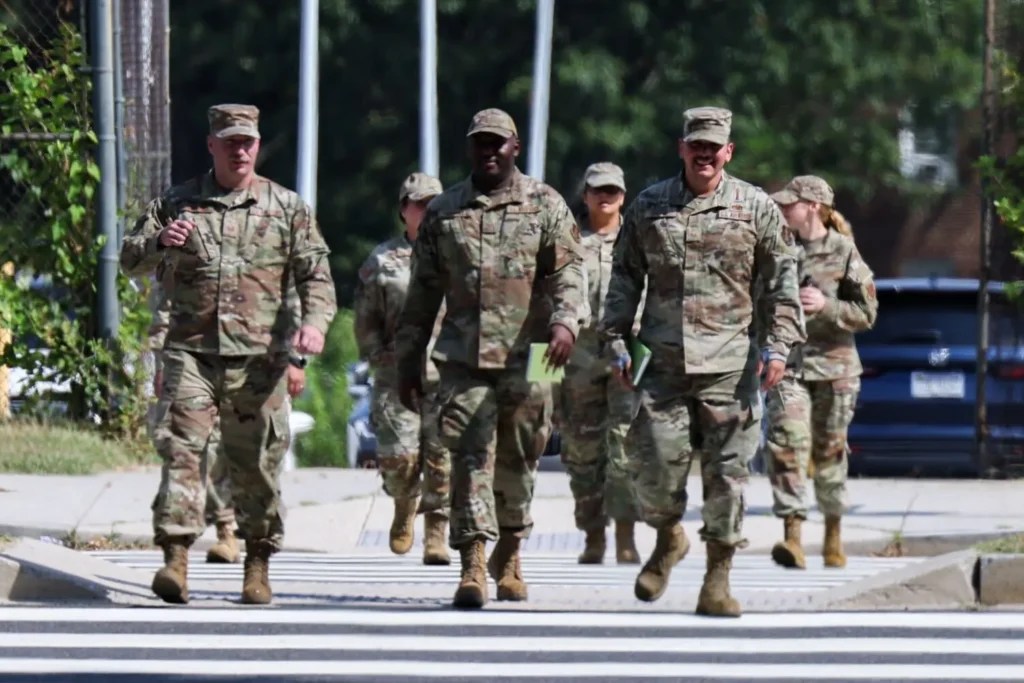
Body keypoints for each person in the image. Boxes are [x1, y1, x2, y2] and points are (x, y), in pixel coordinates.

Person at [120, 103, 337, 605]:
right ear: (212, 145)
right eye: (231, 141)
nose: (240, 150)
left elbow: (317, 276)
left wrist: (315, 324)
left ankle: (257, 561)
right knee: (181, 451)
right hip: (190, 353)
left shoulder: (286, 207)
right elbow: (129, 258)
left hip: (259, 360)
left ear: (258, 146)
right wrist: (157, 241)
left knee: (254, 461)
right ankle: (175, 558)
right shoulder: (177, 203)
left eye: (248, 142)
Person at [598, 106, 803, 617]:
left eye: (715, 146)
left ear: (728, 152)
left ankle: (717, 579)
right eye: (697, 145)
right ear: (682, 148)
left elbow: (782, 284)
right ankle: (668, 538)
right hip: (663, 366)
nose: (705, 154)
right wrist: (616, 340)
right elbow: (624, 277)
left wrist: (778, 345)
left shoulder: (755, 208)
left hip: (731, 368)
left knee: (727, 479)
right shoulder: (648, 207)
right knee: (651, 471)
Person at [395, 108, 586, 609]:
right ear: (470, 148)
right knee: (469, 455)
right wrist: (408, 360)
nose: (489, 150)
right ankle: (473, 563)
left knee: (524, 453)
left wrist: (567, 322)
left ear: (515, 148)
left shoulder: (546, 204)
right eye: (480, 141)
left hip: (538, 354)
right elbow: (421, 295)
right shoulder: (445, 211)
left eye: (498, 142)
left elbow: (570, 274)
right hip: (463, 357)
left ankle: (513, 550)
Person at [147, 279, 308, 565]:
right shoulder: (189, 235)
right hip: (198, 357)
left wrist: (295, 359)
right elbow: (168, 296)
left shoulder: (278, 233)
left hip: (261, 359)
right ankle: (225, 530)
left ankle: (255, 543)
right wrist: (163, 359)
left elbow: (293, 289)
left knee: (256, 452)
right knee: (202, 447)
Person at [764, 175, 878, 570]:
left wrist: (826, 305)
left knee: (830, 453)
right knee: (786, 446)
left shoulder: (844, 251)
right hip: (789, 368)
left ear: (812, 206)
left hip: (836, 370)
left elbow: (866, 314)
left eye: (790, 203)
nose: (783, 209)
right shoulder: (778, 249)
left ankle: (832, 535)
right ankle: (792, 538)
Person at [354, 172, 452, 566]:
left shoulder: (458, 255)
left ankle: (436, 535)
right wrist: (378, 358)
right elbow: (365, 318)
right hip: (397, 375)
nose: (426, 211)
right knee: (398, 458)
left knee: (442, 458)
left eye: (434, 203)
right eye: (419, 204)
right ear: (404, 210)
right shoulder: (382, 260)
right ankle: (403, 505)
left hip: (446, 373)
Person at [560, 162, 643, 565]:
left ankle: (626, 533)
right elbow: (548, 301)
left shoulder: (639, 238)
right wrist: (541, 375)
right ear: (586, 195)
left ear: (623, 196)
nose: (605, 197)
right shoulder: (566, 239)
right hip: (577, 356)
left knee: (625, 446)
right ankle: (593, 535)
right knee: (580, 451)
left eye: (612, 190)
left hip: (627, 351)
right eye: (597, 190)